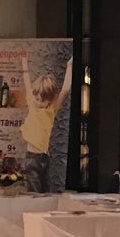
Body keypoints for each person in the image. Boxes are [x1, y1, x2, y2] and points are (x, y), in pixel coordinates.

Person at [19, 52, 73, 192]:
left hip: (45, 157)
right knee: (34, 193)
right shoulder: (33, 105)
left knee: (45, 192)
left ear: (49, 100)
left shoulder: (51, 109)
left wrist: (70, 65)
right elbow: (27, 82)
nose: (38, 102)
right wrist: (24, 63)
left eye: (42, 100)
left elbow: (65, 89)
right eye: (37, 98)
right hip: (32, 158)